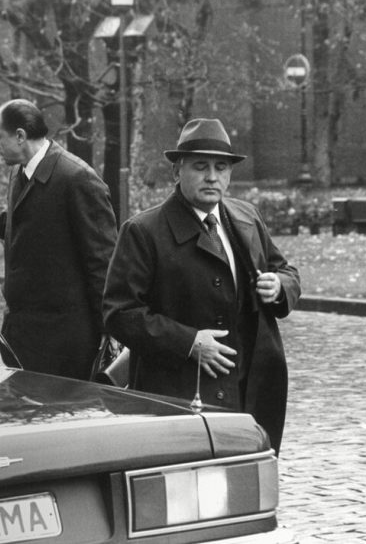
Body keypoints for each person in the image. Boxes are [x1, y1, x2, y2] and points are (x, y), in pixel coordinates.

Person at [103, 118, 300, 451]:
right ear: (177, 171)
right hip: (179, 396)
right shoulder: (143, 231)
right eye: (200, 166)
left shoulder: (246, 218)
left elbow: (286, 270)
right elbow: (119, 313)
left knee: (245, 478)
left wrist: (280, 285)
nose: (212, 177)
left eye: (221, 168)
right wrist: (189, 342)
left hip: (250, 393)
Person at [0, 99, 117, 380]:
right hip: (24, 337)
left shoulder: (78, 179)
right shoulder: (20, 171)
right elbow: (18, 223)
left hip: (66, 347)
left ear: (20, 136)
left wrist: (111, 330)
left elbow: (103, 263)